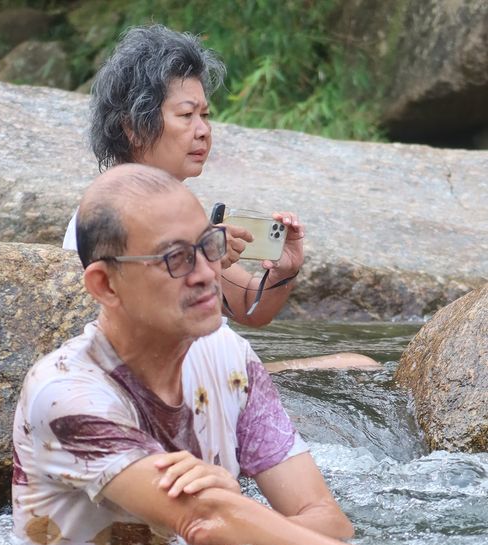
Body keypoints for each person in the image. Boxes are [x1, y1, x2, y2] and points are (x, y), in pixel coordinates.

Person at [13, 164, 480, 545]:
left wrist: (230, 524)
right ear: (105, 284)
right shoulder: (67, 394)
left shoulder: (227, 355)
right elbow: (205, 521)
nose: (206, 273)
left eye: (208, 246)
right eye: (175, 258)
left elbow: (329, 520)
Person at [62, 24, 377, 370]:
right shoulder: (106, 217)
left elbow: (249, 308)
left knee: (358, 363)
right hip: (176, 381)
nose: (204, 131)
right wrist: (203, 256)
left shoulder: (179, 211)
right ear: (133, 128)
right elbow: (142, 328)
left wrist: (283, 272)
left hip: (216, 377)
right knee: (357, 364)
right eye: (187, 115)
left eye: (205, 115)